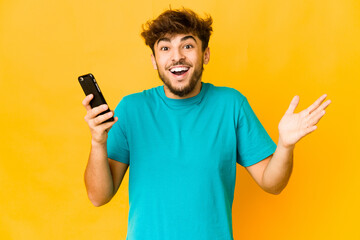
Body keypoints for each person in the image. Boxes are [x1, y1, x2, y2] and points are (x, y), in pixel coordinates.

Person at [82, 8, 331, 240]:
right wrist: (98, 142)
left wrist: (285, 146)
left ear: (206, 54)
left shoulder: (231, 104)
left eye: (187, 45)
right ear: (154, 60)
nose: (177, 56)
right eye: (165, 48)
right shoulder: (132, 109)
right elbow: (98, 196)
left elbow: (272, 183)